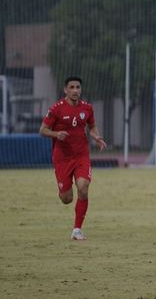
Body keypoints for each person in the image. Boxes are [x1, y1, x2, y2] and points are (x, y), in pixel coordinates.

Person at [39, 76, 107, 240]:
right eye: (72, 87)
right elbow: (42, 130)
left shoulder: (87, 108)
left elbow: (91, 126)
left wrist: (96, 136)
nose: (75, 90)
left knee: (83, 187)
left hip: (81, 155)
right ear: (65, 90)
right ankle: (63, 188)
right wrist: (56, 134)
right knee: (67, 198)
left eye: (78, 87)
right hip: (62, 158)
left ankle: (77, 229)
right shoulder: (56, 109)